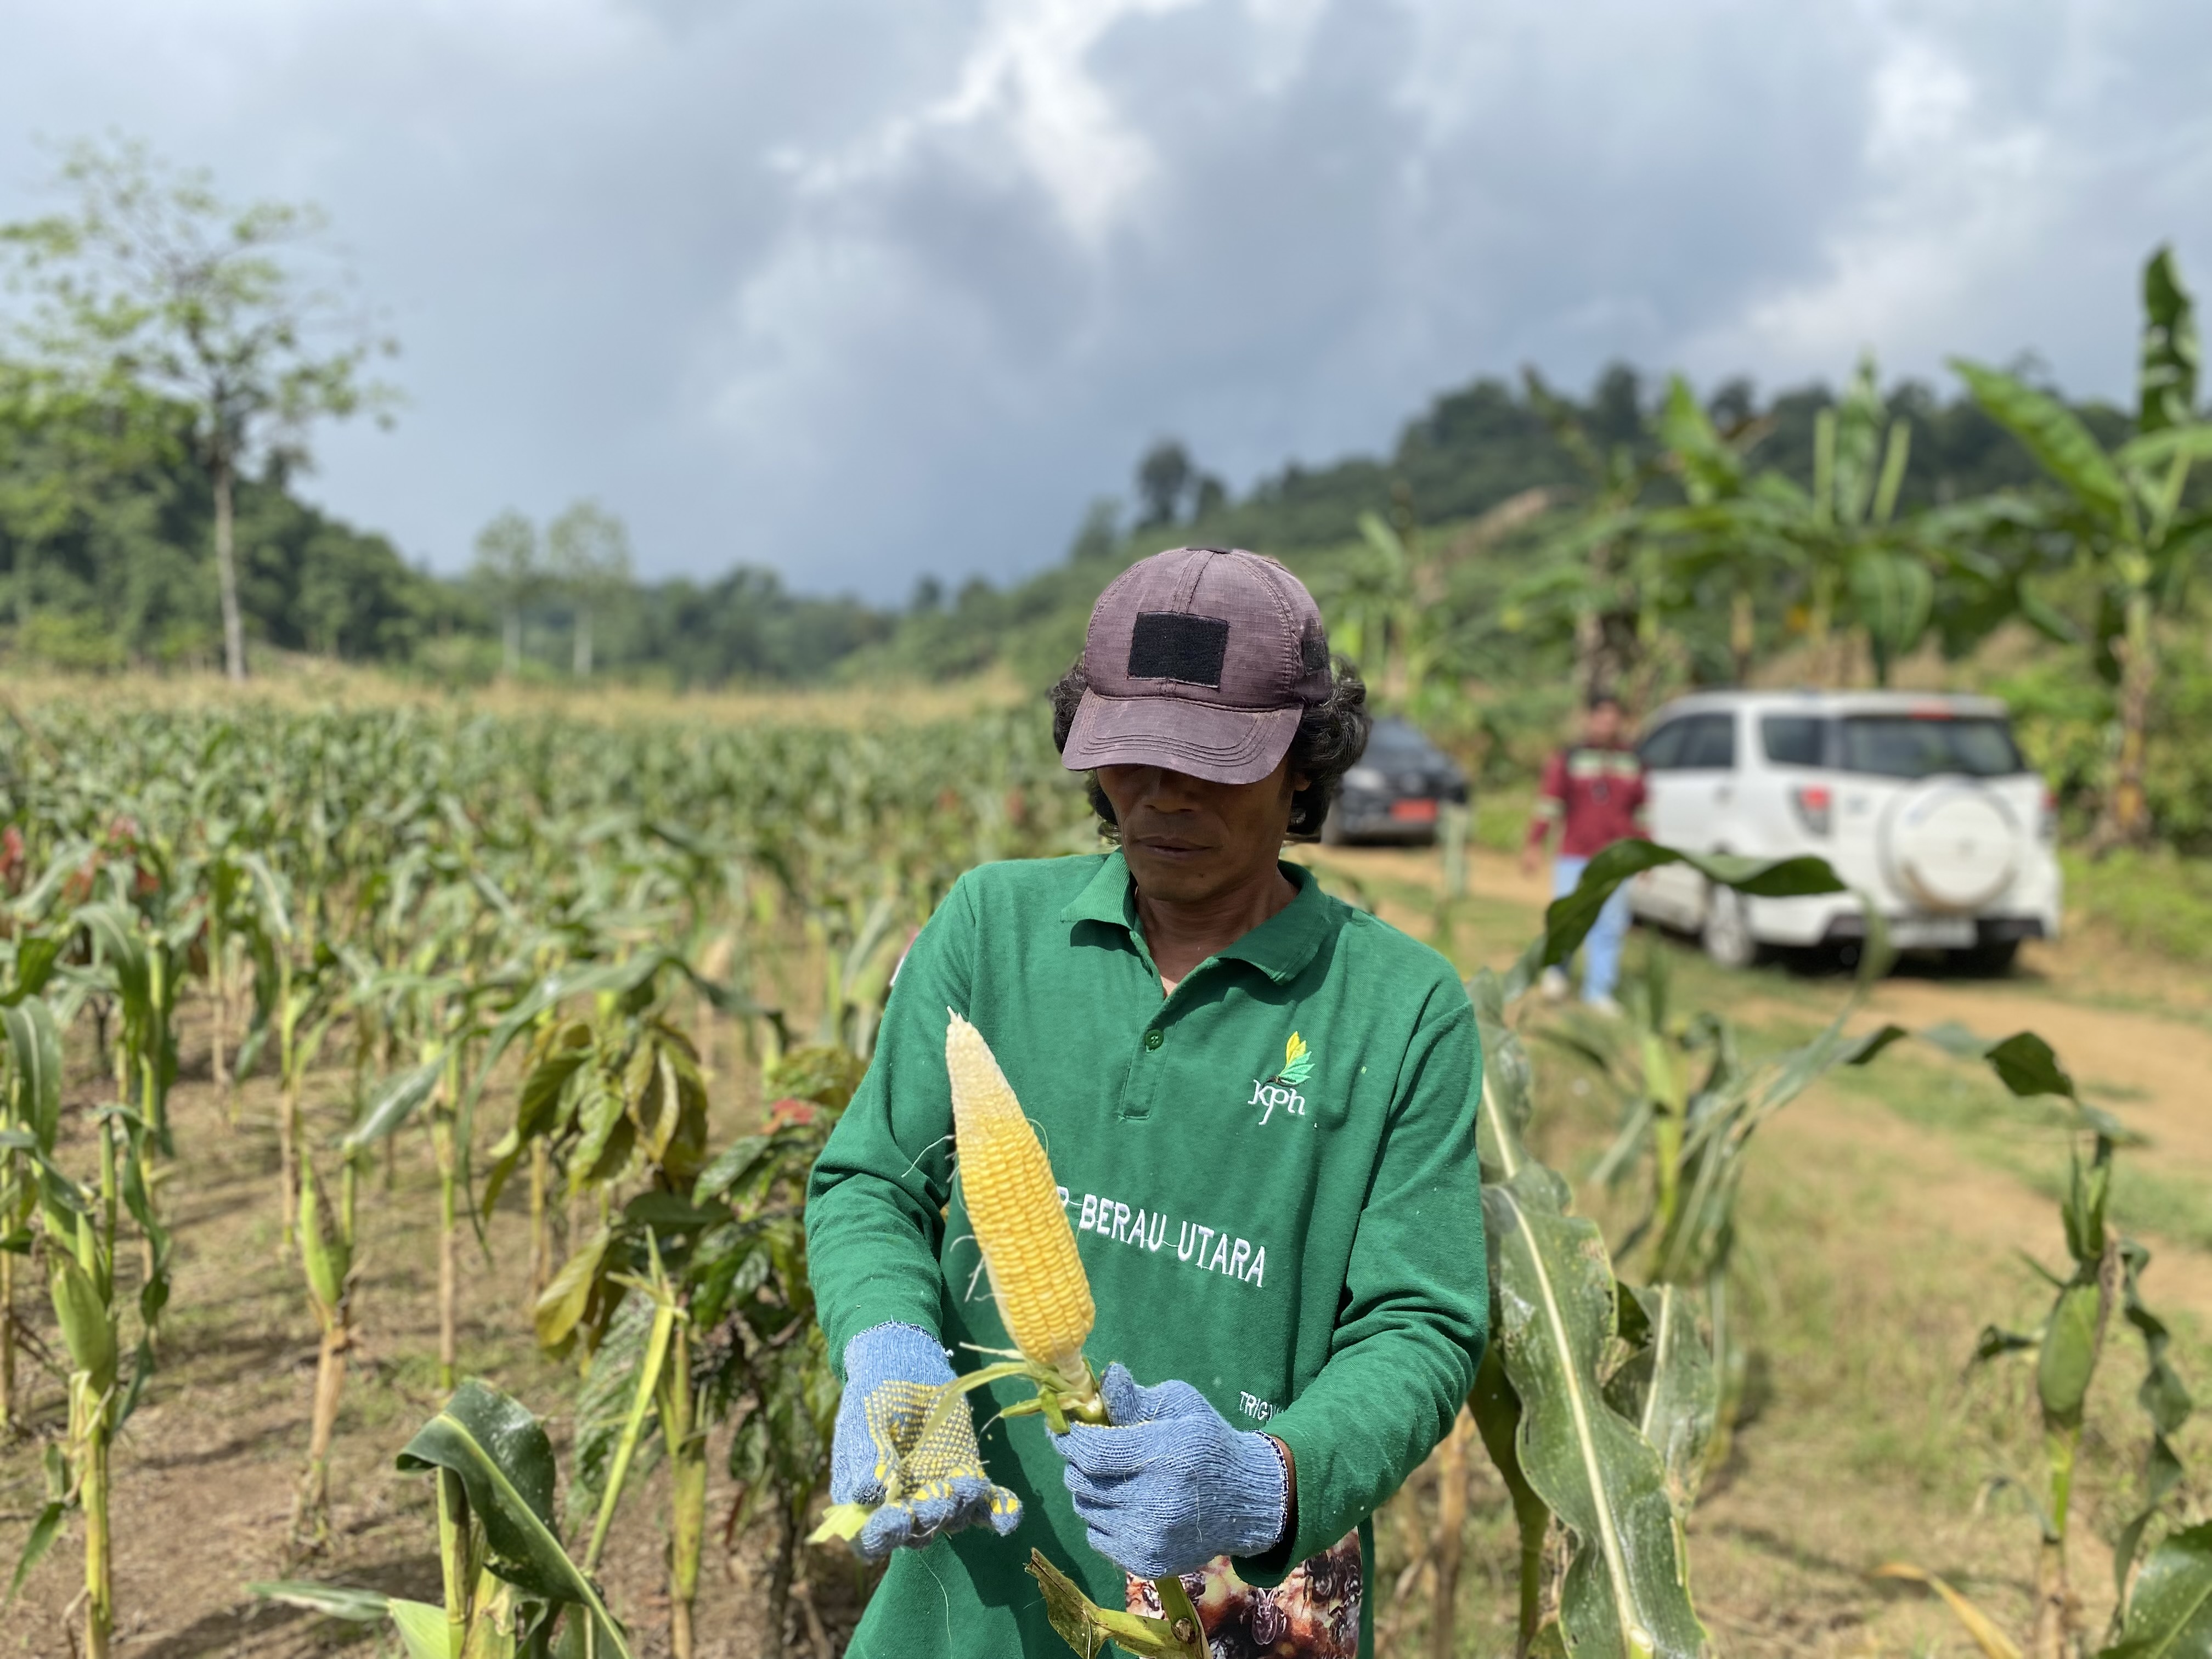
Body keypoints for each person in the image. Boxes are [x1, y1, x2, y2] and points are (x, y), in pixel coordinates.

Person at [805, 546, 1489, 1658]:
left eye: (1211, 761)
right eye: (1132, 754)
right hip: (977, 1587)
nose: (1165, 792)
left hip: (1247, 1608)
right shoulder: (989, 929)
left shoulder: (1402, 1007)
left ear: (1304, 764)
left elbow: (1421, 1323)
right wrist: (888, 1338)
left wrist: (1268, 1482)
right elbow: (872, 1181)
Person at [1520, 689, 1647, 1014]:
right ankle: (1556, 975)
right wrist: (1534, 843)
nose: (1606, 723)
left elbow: (1642, 812)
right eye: (1600, 716)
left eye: (1613, 717)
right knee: (1569, 918)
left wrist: (1647, 854)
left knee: (1611, 924)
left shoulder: (1633, 761)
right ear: (1590, 719)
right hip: (1574, 856)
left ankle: (1599, 991)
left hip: (1617, 859)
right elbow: (1550, 804)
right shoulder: (1571, 759)